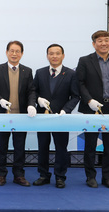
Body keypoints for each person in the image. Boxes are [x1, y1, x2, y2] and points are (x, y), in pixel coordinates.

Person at [76, 30, 109, 189]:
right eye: (100, 41)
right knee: (90, 145)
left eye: (106, 40)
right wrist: (89, 100)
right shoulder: (85, 61)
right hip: (92, 108)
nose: (103, 43)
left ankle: (108, 177)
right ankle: (90, 177)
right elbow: (79, 83)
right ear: (94, 44)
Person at [0, 40, 37, 187]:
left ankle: (19, 175)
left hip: (21, 116)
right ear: (7, 52)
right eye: (12, 51)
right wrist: (0, 100)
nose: (14, 54)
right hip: (2, 115)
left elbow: (31, 91)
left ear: (22, 54)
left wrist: (31, 105)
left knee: (19, 147)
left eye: (17, 51)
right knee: (1, 147)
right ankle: (1, 175)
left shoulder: (27, 71)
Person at [32, 44, 80, 188]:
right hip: (43, 116)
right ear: (47, 56)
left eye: (57, 53)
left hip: (61, 118)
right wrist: (38, 99)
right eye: (51, 53)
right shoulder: (40, 72)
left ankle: (60, 176)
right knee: (42, 147)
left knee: (61, 148)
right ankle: (43, 175)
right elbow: (33, 91)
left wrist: (66, 110)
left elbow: (75, 96)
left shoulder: (71, 74)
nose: (54, 56)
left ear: (63, 56)